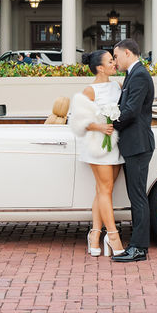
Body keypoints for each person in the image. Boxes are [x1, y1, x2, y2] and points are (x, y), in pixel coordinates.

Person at [68, 50, 126, 257]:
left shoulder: (118, 86)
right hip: (98, 146)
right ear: (100, 68)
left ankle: (94, 234)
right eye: (110, 61)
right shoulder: (90, 91)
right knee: (105, 189)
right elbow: (76, 121)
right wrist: (100, 127)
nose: (114, 63)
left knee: (104, 191)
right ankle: (113, 236)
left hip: (116, 144)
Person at [111, 38, 154, 262]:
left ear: (128, 53)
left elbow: (130, 111)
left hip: (138, 145)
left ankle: (138, 248)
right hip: (133, 144)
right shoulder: (131, 75)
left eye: (116, 56)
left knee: (137, 197)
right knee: (135, 196)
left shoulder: (139, 76)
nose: (115, 61)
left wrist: (109, 123)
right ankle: (137, 245)